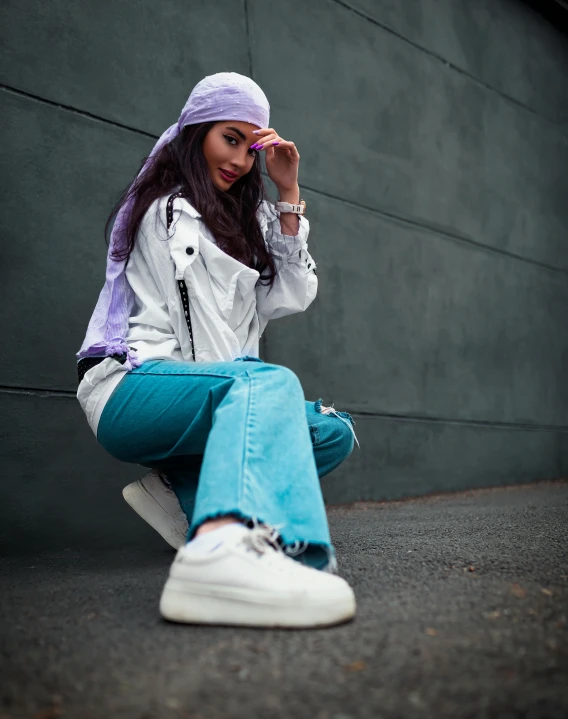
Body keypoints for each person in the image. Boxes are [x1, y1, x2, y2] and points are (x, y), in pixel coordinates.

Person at [76, 72, 358, 628]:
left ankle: (182, 500)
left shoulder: (243, 220)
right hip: (130, 387)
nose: (240, 159)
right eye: (230, 138)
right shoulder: (171, 212)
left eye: (251, 148)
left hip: (207, 390)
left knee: (330, 433)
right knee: (265, 386)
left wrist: (289, 197)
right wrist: (251, 393)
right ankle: (222, 550)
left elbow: (294, 294)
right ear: (197, 132)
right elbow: (204, 340)